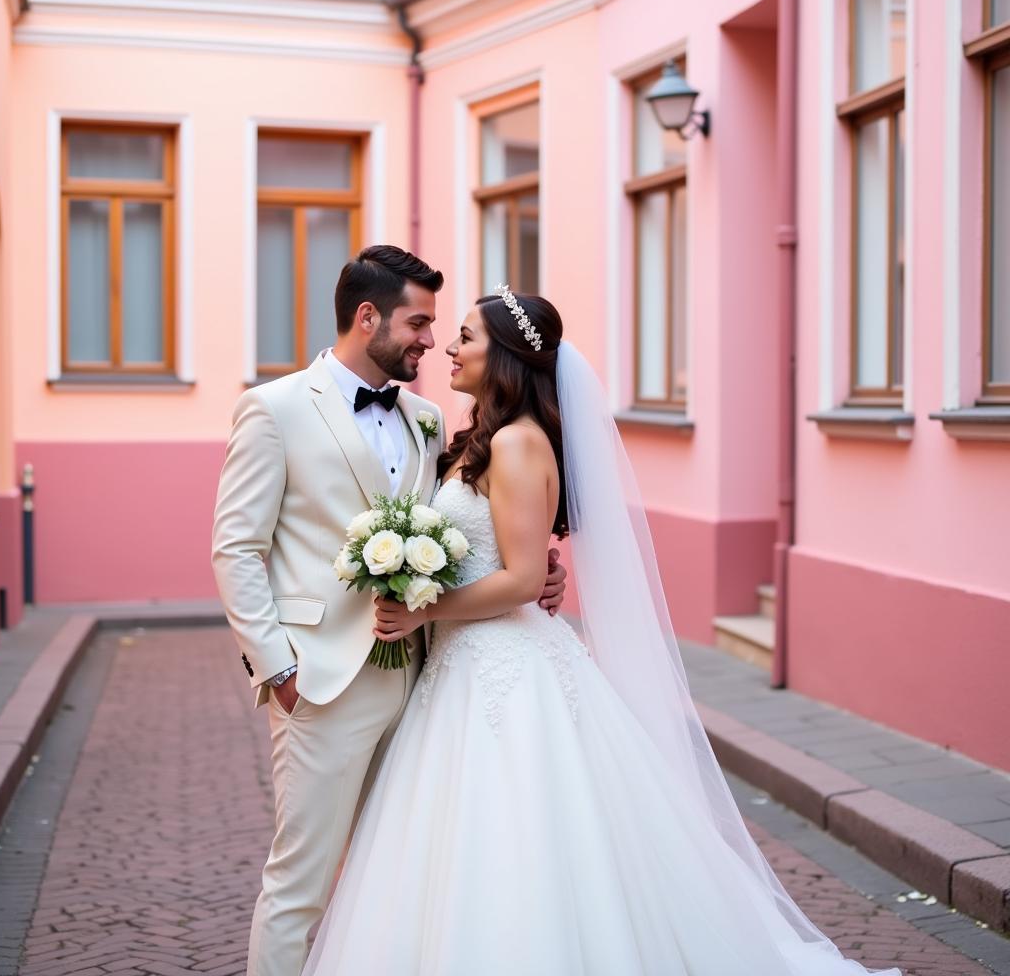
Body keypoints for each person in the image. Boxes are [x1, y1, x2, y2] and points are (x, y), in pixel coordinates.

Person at [301, 289, 900, 976]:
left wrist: (422, 610)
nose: (449, 347)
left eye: (464, 336)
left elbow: (524, 580)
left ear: (503, 354)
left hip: (508, 668)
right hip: (462, 667)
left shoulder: (521, 443)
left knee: (522, 841)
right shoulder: (473, 439)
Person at [211, 247, 567, 976]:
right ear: (367, 317)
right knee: (299, 888)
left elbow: (480, 528)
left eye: (440, 327)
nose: (430, 342)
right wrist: (277, 669)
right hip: (322, 685)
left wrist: (540, 574)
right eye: (418, 323)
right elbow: (236, 550)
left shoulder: (432, 421)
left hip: (428, 686)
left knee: (400, 880)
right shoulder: (273, 409)